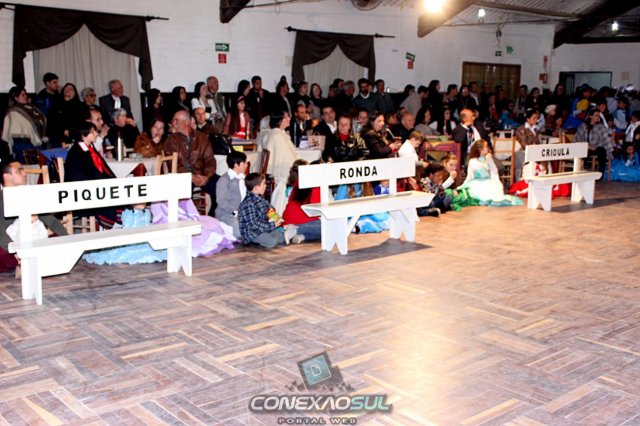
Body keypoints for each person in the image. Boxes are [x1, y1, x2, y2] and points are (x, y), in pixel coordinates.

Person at [0, 161, 68, 273]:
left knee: (58, 239)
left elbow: (51, 221)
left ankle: (31, 259)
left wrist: (67, 239)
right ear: (6, 176)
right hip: (9, 245)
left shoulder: (27, 196)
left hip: (30, 241)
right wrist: (14, 250)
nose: (24, 173)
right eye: (19, 171)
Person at [65, 122, 120, 228]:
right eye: (92, 132)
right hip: (82, 190)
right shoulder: (76, 152)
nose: (96, 134)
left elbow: (102, 169)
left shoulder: (90, 148)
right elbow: (79, 176)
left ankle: (119, 220)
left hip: (94, 184)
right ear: (83, 135)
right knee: (107, 193)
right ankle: (111, 223)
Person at [164, 110, 218, 214]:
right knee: (183, 192)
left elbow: (210, 160)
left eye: (176, 120)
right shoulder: (171, 141)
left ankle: (212, 218)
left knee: (221, 187)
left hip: (202, 174)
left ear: (187, 122)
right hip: (182, 177)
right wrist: (190, 176)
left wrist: (206, 176)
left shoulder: (202, 137)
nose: (173, 123)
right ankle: (188, 220)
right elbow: (173, 165)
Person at [238, 173, 295, 248]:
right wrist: (272, 225)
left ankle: (283, 236)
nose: (266, 186)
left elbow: (269, 209)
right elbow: (254, 225)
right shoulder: (248, 204)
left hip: (263, 229)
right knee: (272, 241)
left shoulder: (260, 198)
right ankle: (254, 243)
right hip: (252, 233)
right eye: (263, 184)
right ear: (256, 188)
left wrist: (277, 219)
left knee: (281, 236)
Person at [460, 140, 521, 206]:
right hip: (476, 183)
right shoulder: (473, 161)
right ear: (480, 149)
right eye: (486, 146)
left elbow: (494, 172)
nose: (488, 148)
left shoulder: (489, 159)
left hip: (488, 182)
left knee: (494, 196)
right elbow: (471, 175)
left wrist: (497, 184)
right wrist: (463, 185)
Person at [2, 86, 47, 161]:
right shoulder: (13, 112)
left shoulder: (31, 109)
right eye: (23, 95)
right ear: (16, 98)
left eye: (26, 94)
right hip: (21, 145)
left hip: (35, 143)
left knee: (40, 164)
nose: (25, 96)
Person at [266, 111, 297, 214]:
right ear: (279, 120)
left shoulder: (281, 134)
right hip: (284, 177)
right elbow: (286, 160)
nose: (289, 119)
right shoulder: (277, 136)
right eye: (286, 117)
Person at [282, 160, 321, 244]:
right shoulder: (316, 184)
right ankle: (296, 230)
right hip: (301, 221)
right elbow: (316, 209)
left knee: (326, 230)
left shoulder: (298, 181)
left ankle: (301, 236)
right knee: (328, 227)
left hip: (287, 219)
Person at [215, 150, 248, 239]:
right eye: (244, 163)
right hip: (227, 214)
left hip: (241, 213)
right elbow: (221, 201)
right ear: (236, 165)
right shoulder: (224, 180)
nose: (246, 165)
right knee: (240, 231)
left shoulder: (243, 178)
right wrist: (235, 213)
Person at [575, 109, 612, 176]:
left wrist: (595, 147)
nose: (598, 117)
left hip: (597, 148)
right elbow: (577, 138)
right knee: (583, 151)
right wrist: (586, 145)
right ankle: (584, 170)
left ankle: (600, 173)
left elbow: (605, 140)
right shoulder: (583, 126)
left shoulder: (601, 127)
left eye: (598, 116)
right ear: (590, 116)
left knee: (602, 151)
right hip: (585, 148)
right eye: (596, 116)